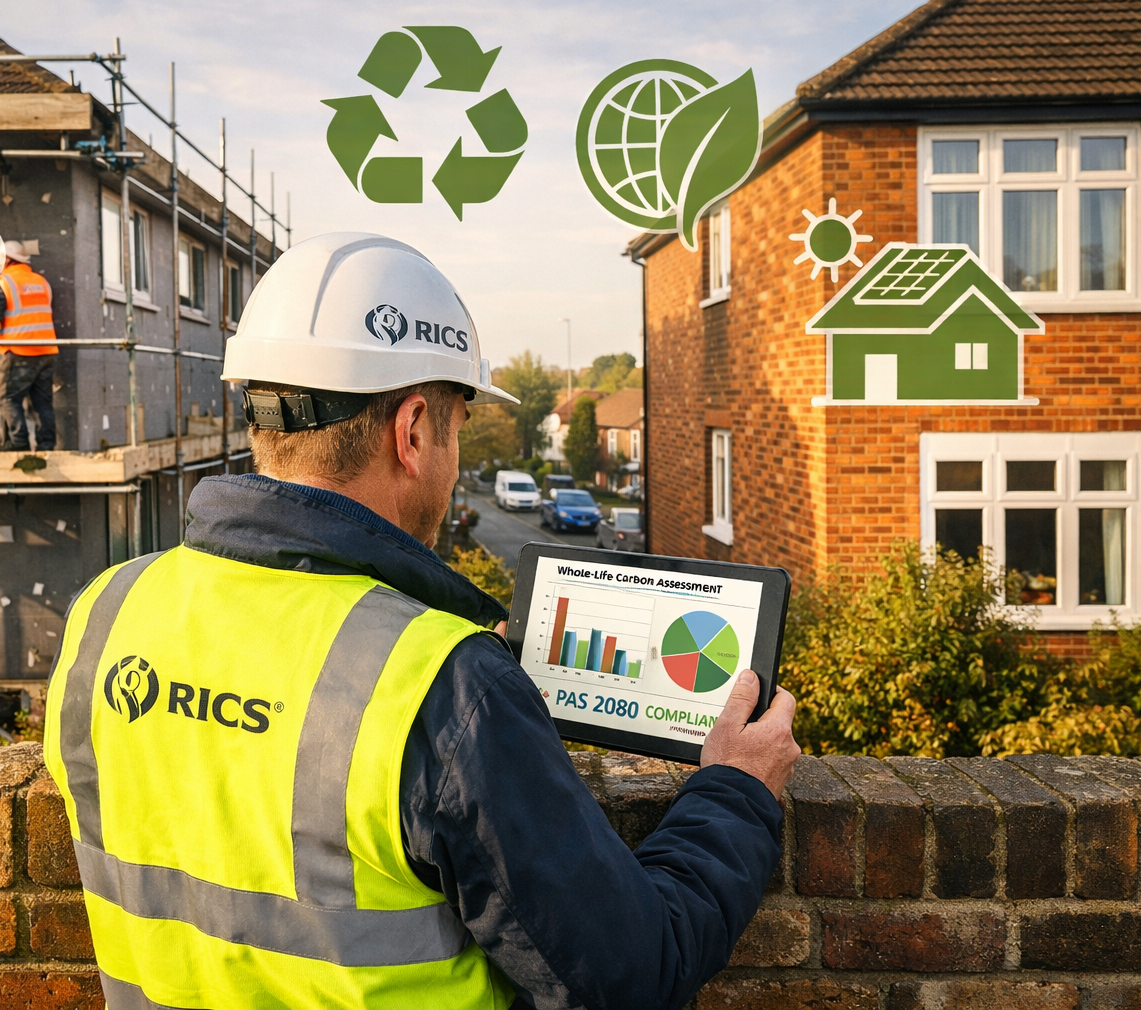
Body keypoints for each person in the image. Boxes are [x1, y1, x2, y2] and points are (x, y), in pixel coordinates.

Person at [43, 232, 800, 1010]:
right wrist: (736, 790)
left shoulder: (106, 612)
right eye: (458, 428)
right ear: (411, 431)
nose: (453, 453)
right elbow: (631, 975)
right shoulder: (441, 685)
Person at [0, 239, 58, 451]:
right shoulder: (41, 282)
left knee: (7, 397)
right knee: (42, 403)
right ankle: (46, 447)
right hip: (47, 350)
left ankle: (18, 445)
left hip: (21, 349)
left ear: (7, 260)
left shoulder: (5, 282)